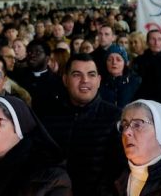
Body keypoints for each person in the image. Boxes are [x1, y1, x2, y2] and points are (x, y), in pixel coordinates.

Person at [41, 54, 124, 195]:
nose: (85, 80)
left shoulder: (116, 117)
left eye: (91, 75)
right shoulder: (48, 116)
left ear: (98, 81)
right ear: (65, 80)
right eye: (77, 75)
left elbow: (117, 171)